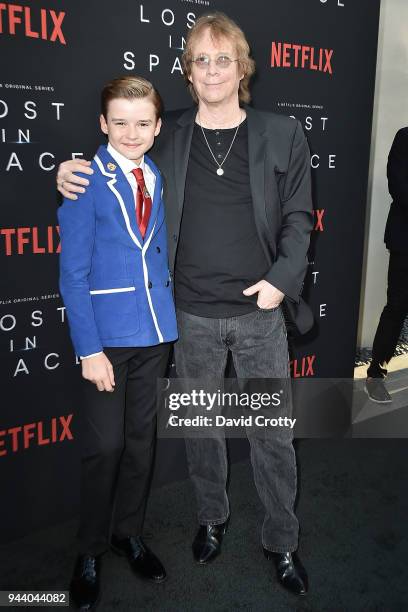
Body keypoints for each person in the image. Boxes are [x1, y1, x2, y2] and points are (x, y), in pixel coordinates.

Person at [57, 12, 313, 596]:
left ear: (241, 68)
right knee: (202, 431)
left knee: (271, 435)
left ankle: (282, 542)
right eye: (202, 59)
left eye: (225, 58)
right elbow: (116, 155)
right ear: (188, 73)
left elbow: (299, 218)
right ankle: (210, 519)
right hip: (188, 316)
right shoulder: (165, 132)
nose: (214, 69)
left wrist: (281, 277)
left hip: (260, 314)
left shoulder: (282, 133)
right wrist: (70, 174)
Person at [58, 75, 177, 610]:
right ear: (103, 124)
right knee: (104, 448)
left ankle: (128, 534)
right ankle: (88, 550)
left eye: (143, 123)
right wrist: (89, 349)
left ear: (156, 127)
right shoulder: (83, 181)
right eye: (120, 122)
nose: (132, 133)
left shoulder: (160, 173)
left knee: (139, 444)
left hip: (156, 334)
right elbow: (72, 275)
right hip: (106, 341)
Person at [366, 127, 408, 403]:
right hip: (406, 239)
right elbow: (400, 187)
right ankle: (375, 373)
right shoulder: (405, 137)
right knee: (398, 305)